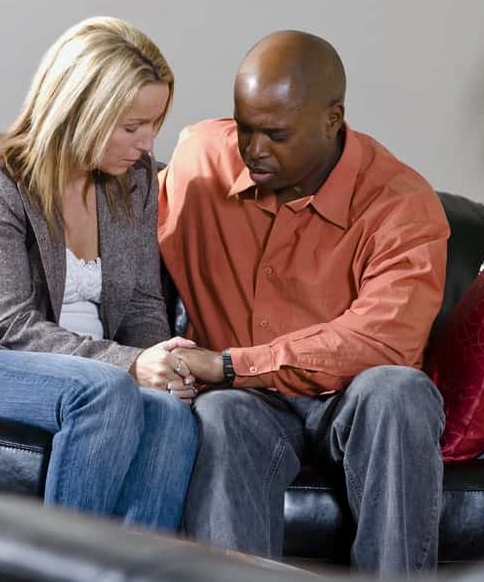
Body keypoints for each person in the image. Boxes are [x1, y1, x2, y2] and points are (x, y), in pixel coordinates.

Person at [157, 30, 450, 572]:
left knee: (400, 391)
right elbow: (117, 246)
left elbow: (381, 340)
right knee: (220, 411)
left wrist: (229, 364)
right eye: (245, 128)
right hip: (249, 402)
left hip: (352, 400)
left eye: (276, 134)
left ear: (333, 119)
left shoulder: (402, 204)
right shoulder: (200, 160)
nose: (254, 150)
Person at [0, 16, 199, 532]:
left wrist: (163, 368)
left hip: (100, 370)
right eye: (132, 127)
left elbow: (146, 303)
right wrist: (130, 366)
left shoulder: (136, 181)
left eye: (155, 124)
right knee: (107, 392)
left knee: (172, 417)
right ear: (81, 110)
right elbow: (5, 325)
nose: (148, 143)